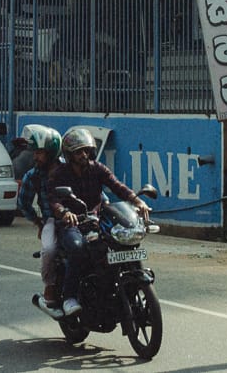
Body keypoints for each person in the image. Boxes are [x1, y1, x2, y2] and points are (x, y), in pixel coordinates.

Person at [46, 126, 150, 317]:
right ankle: (70, 297)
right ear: (70, 154)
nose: (83, 155)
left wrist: (137, 201)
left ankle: (121, 287)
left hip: (95, 219)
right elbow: (53, 198)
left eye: (86, 150)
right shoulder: (60, 172)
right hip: (71, 223)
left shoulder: (97, 168)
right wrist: (64, 212)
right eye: (78, 152)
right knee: (77, 248)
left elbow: (116, 185)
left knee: (118, 243)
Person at [17, 124, 64, 316]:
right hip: (51, 221)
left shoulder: (69, 169)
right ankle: (50, 289)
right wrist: (38, 222)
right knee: (50, 250)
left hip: (79, 217)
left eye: (40, 153)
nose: (35, 157)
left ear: (51, 153)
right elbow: (24, 204)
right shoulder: (33, 176)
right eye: (35, 152)